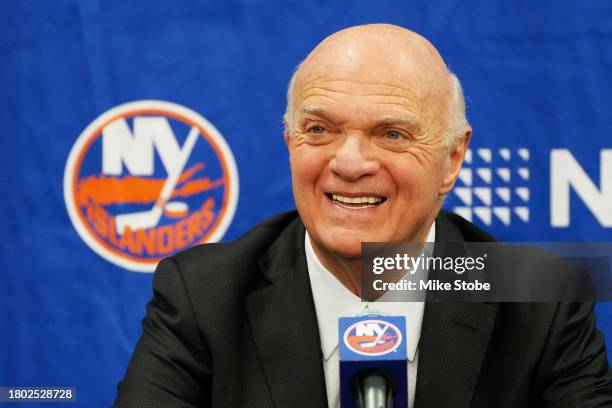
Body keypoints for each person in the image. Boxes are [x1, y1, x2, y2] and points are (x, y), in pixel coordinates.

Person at [114, 24, 612, 407]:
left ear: (452, 159)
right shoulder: (204, 293)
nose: (350, 163)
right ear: (290, 139)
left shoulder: (540, 298)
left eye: (392, 134)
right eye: (320, 129)